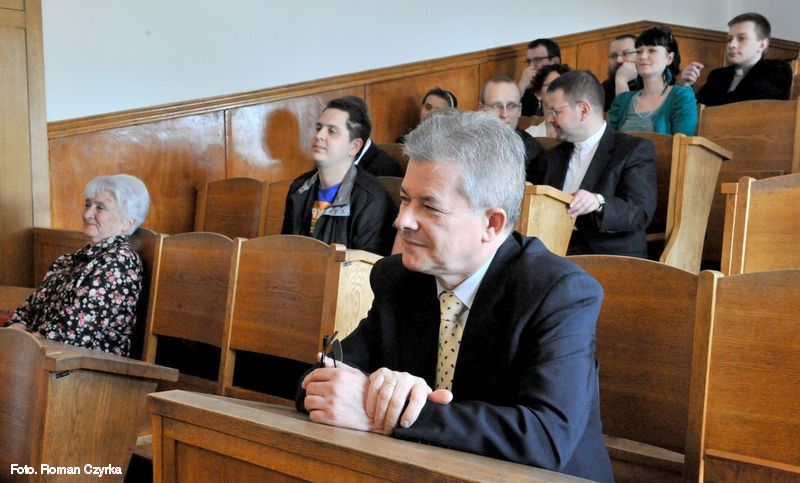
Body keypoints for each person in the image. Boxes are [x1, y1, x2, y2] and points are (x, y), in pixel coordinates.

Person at [297, 109, 614, 482]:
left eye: (429, 206)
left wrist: (394, 412)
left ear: (491, 223)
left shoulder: (558, 292)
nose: (402, 220)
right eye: (405, 199)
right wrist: (362, 393)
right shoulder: (398, 278)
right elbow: (318, 382)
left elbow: (544, 439)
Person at [3, 174, 150, 357]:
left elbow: (71, 332)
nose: (87, 214)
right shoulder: (69, 260)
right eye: (88, 205)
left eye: (100, 208)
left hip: (85, 364)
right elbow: (27, 312)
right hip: (42, 354)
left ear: (127, 222)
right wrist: (11, 338)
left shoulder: (120, 263)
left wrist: (18, 352)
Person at [534, 70, 657, 258]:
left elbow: (640, 212)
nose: (550, 119)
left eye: (555, 112)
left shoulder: (633, 150)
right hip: (554, 253)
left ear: (583, 110)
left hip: (609, 257)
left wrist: (598, 202)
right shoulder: (551, 157)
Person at [282, 96, 397, 255]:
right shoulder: (299, 188)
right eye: (318, 128)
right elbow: (285, 250)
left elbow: (367, 266)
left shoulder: (372, 200)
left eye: (332, 131)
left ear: (354, 147)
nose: (319, 135)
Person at [679, 12, 792, 106]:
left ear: (762, 45)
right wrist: (685, 86)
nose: (731, 45)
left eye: (741, 38)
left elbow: (749, 107)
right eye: (729, 39)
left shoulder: (777, 70)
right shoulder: (717, 76)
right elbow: (697, 111)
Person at [609, 26, 698, 135]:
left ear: (669, 58)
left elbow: (683, 142)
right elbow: (608, 140)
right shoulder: (622, 99)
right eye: (639, 51)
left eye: (652, 50)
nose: (643, 56)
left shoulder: (681, 95)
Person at [480, 76, 544, 174]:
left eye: (511, 106)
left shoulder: (533, 153)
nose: (504, 114)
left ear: (519, 110)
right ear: (481, 109)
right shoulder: (465, 144)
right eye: (496, 106)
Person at [524, 63, 571, 137]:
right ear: (538, 94)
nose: (558, 90)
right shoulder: (530, 135)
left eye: (562, 85)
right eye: (552, 85)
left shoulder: (580, 133)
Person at [518, 38, 562, 116]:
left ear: (555, 61)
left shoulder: (569, 85)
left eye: (537, 60)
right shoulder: (528, 89)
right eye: (528, 61)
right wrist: (522, 86)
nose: (531, 66)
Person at [602, 34, 644, 111]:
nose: (619, 60)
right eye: (613, 55)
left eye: (626, 53)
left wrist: (621, 80)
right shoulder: (603, 89)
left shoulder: (651, 85)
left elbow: (629, 116)